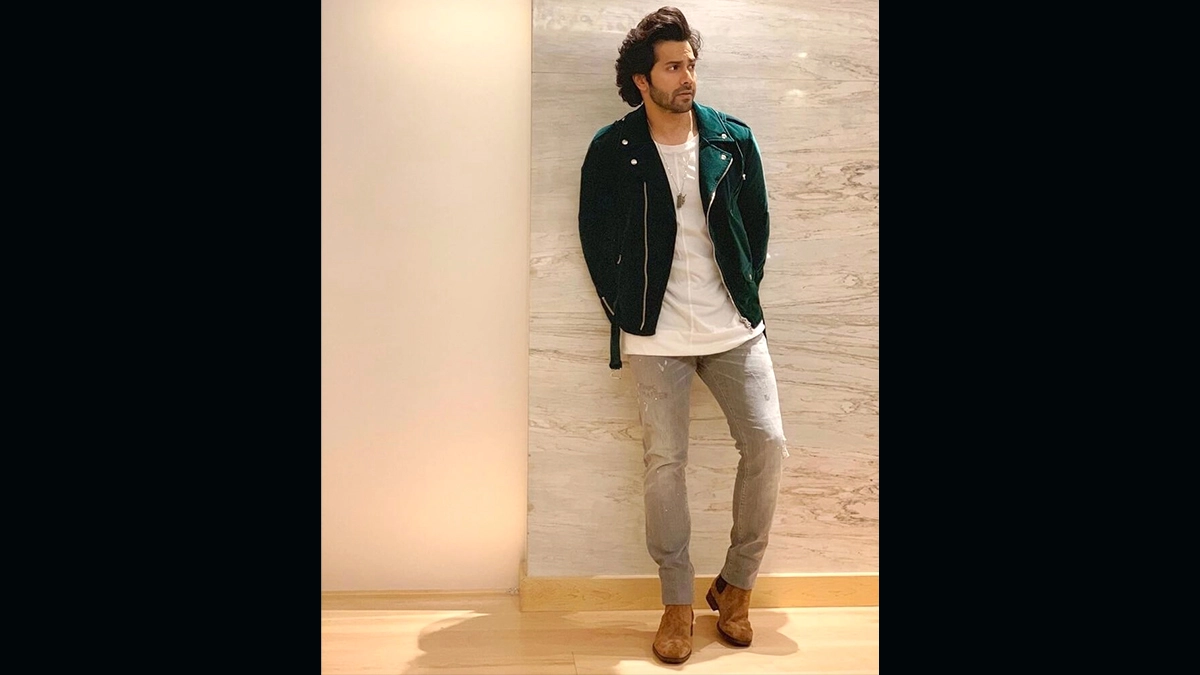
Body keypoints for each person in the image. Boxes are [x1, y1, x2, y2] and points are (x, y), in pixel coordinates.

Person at [577, 5, 789, 665]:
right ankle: (675, 601)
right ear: (642, 80)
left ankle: (737, 584)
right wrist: (626, 309)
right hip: (655, 333)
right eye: (672, 67)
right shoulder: (613, 148)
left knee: (768, 444)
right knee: (665, 463)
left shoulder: (732, 140)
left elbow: (755, 227)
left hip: (733, 328)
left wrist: (744, 292)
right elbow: (595, 237)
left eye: (690, 63)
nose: (687, 77)